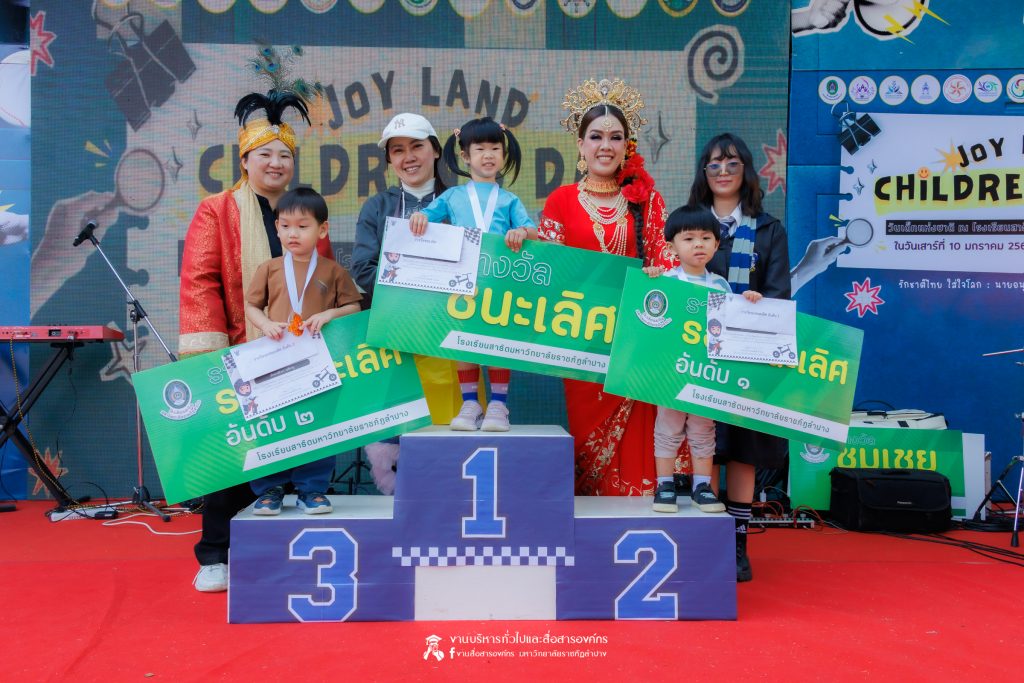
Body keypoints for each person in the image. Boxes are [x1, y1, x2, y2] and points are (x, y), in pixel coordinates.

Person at [179, 89, 327, 592]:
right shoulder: (217, 210)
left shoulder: (303, 211)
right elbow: (200, 281)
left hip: (298, 353)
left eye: (285, 155)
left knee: (295, 452)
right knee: (234, 457)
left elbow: (324, 277)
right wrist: (213, 354)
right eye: (265, 154)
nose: (276, 163)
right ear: (244, 159)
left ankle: (280, 553)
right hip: (238, 352)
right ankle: (215, 554)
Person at [538, 78, 681, 496]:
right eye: (596, 137)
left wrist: (661, 274)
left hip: (637, 339)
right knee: (587, 438)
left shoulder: (647, 199)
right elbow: (549, 270)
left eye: (616, 137)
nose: (606, 145)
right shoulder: (561, 200)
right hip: (581, 338)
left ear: (627, 146)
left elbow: (666, 257)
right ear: (580, 145)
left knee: (645, 435)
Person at [688, 132, 792, 582]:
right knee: (707, 447)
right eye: (714, 164)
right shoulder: (691, 226)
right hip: (699, 355)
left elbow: (778, 293)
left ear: (746, 171)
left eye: (732, 164)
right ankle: (707, 539)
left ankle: (737, 543)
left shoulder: (769, 230)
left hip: (748, 355)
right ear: (704, 173)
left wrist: (752, 310)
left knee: (744, 451)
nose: (723, 172)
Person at [349, 113, 460, 494]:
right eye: (398, 151)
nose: (408, 157)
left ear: (435, 151)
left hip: (450, 337)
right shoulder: (377, 207)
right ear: (390, 160)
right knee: (399, 430)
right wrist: (410, 295)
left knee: (453, 430)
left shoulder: (460, 202)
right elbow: (363, 268)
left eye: (416, 147)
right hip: (395, 338)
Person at [408, 117, 535, 432]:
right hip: (461, 284)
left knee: (497, 344)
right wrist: (420, 218)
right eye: (480, 149)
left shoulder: (509, 200)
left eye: (495, 148)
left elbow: (532, 230)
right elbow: (426, 216)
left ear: (503, 155)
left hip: (499, 285)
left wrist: (521, 232)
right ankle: (471, 403)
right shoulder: (453, 196)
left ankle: (499, 405)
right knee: (463, 342)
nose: (488, 155)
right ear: (465, 156)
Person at [244, 187, 362, 514]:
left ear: (322, 230)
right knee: (273, 426)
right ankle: (269, 490)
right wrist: (265, 323)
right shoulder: (268, 269)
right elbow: (251, 306)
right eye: (285, 226)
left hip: (319, 363)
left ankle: (312, 489)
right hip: (275, 364)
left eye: (302, 226)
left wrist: (330, 314)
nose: (292, 233)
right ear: (276, 228)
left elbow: (354, 306)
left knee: (319, 424)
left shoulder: (333, 270)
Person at [649, 205, 761, 514]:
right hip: (671, 373)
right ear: (671, 247)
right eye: (688, 239)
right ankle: (664, 486)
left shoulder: (720, 285)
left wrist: (748, 301)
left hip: (706, 373)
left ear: (716, 244)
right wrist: (650, 280)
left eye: (706, 238)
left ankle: (702, 487)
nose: (698, 244)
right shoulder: (666, 281)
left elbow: (732, 325)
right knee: (668, 427)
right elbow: (649, 315)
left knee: (703, 429)